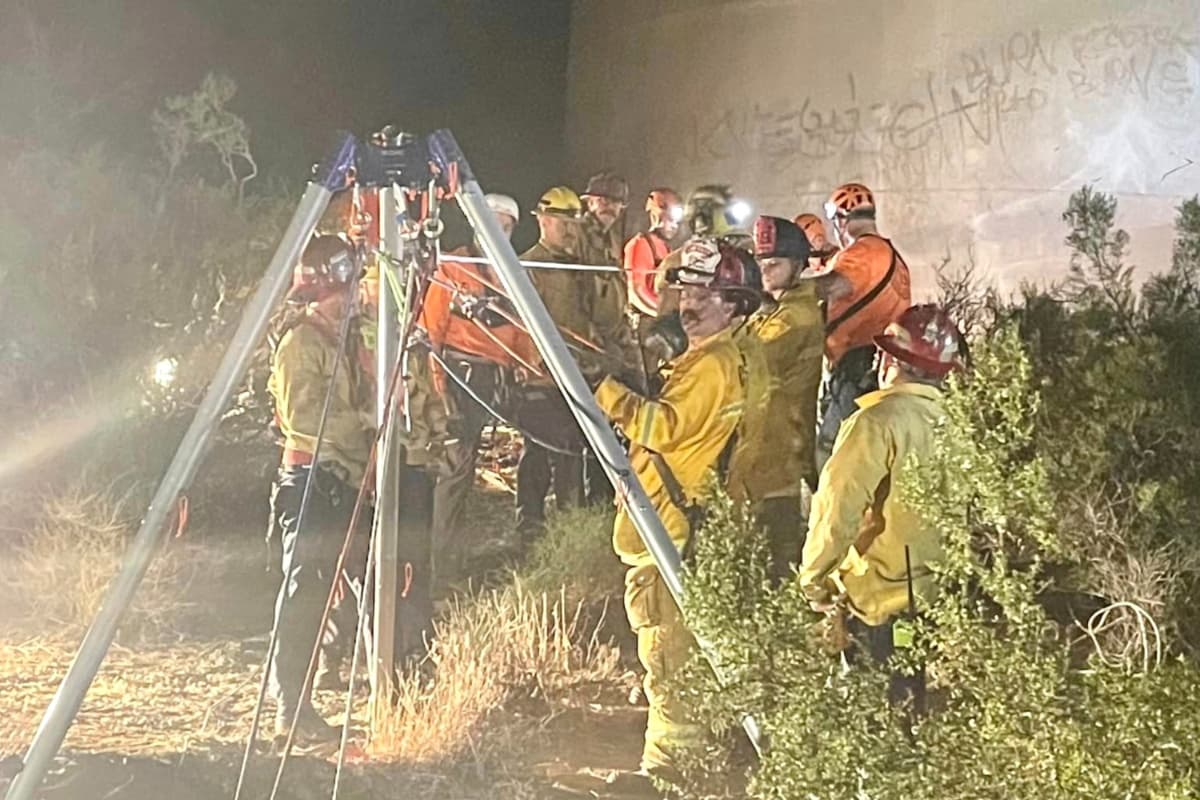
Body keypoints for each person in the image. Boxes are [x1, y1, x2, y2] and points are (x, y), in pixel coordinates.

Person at [596, 236, 761, 791]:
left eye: (705, 294)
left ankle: (669, 774)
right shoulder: (709, 357)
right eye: (685, 290)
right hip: (672, 524)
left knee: (667, 662)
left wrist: (606, 394)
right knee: (677, 655)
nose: (688, 303)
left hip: (668, 533)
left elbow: (663, 429)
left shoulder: (712, 365)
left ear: (735, 304)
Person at [797, 304, 965, 710]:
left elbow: (838, 506)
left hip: (873, 601)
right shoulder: (958, 424)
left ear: (890, 359)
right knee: (908, 700)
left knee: (868, 712)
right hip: (928, 598)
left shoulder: (876, 422)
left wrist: (813, 578)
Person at [265, 234, 373, 745]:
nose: (353, 298)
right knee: (307, 596)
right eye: (345, 291)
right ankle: (292, 708)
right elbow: (307, 419)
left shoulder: (344, 339)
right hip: (312, 482)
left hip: (342, 480)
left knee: (351, 589)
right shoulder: (301, 344)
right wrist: (372, 425)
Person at [420, 193, 535, 578]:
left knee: (466, 470)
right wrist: (439, 392)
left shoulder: (511, 273)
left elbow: (521, 330)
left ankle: (456, 554)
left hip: (493, 378)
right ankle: (442, 565)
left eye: (505, 227)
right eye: (493, 224)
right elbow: (431, 330)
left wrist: (524, 366)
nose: (498, 232)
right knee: (454, 467)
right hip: (459, 374)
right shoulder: (454, 267)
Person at [726, 216, 824, 582]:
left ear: (798, 265)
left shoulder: (795, 317)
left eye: (776, 264)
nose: (766, 271)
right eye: (761, 264)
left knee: (775, 565)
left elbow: (750, 359)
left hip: (782, 456)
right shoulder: (774, 310)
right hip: (762, 454)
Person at [800, 182, 911, 473]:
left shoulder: (865, 251)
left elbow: (834, 285)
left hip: (856, 368)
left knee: (835, 456)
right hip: (880, 366)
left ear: (840, 219)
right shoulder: (892, 256)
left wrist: (788, 289)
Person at [515, 186, 590, 544]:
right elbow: (521, 323)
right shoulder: (530, 266)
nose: (570, 231)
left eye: (574, 223)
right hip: (541, 377)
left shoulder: (577, 266)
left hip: (576, 373)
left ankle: (568, 519)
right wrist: (534, 363)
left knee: (571, 449)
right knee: (540, 450)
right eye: (563, 223)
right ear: (543, 221)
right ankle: (530, 520)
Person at [624, 188, 683, 318]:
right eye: (671, 220)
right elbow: (637, 292)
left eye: (677, 222)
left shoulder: (667, 249)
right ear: (657, 215)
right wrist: (665, 314)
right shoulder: (641, 245)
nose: (674, 226)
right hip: (647, 322)